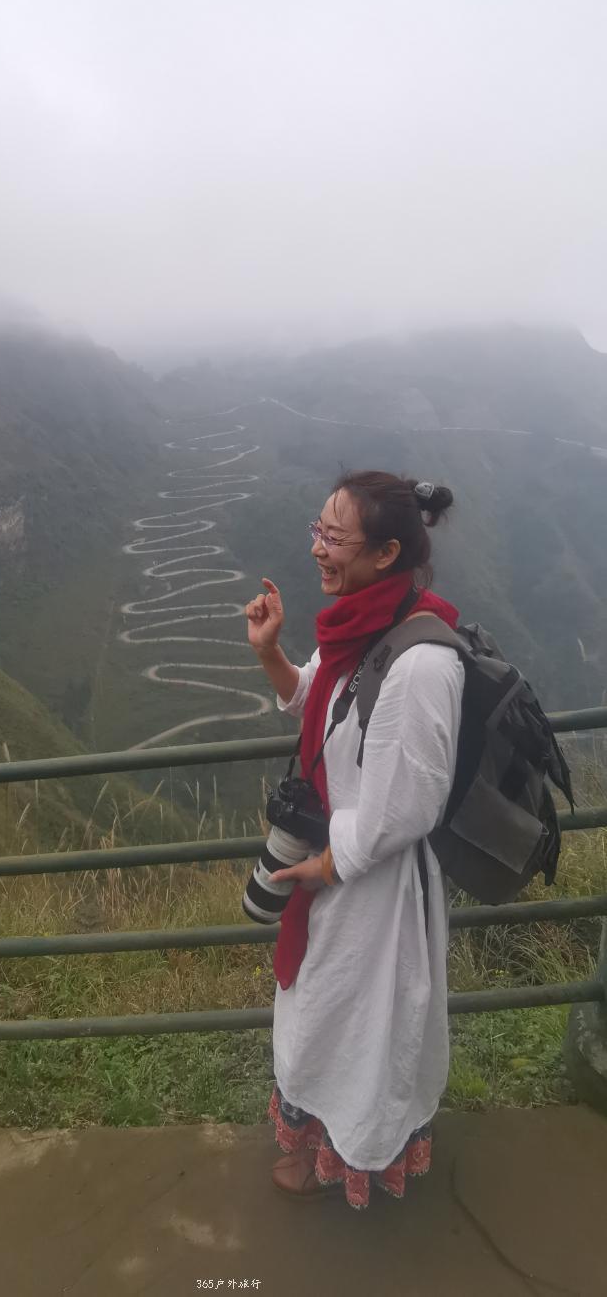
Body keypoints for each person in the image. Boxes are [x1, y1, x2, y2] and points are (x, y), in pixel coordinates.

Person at [245, 470, 463, 1210]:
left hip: (375, 893)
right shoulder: (360, 628)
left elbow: (408, 807)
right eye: (318, 529)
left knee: (361, 1033)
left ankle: (348, 1162)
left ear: (386, 553)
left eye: (334, 537)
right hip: (334, 872)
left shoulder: (421, 662)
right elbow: (319, 696)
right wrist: (271, 651)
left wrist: (326, 864)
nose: (317, 548)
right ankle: (318, 1146)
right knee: (319, 1017)